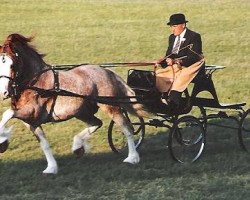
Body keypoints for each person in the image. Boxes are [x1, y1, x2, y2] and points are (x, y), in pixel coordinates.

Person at [155, 13, 205, 108]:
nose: (172, 29)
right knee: (158, 74)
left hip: (191, 66)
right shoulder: (172, 37)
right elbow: (170, 55)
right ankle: (162, 98)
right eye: (171, 27)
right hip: (176, 66)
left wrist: (177, 61)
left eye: (174, 26)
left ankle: (174, 102)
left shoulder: (194, 36)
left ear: (183, 25)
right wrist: (161, 61)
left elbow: (194, 56)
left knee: (180, 79)